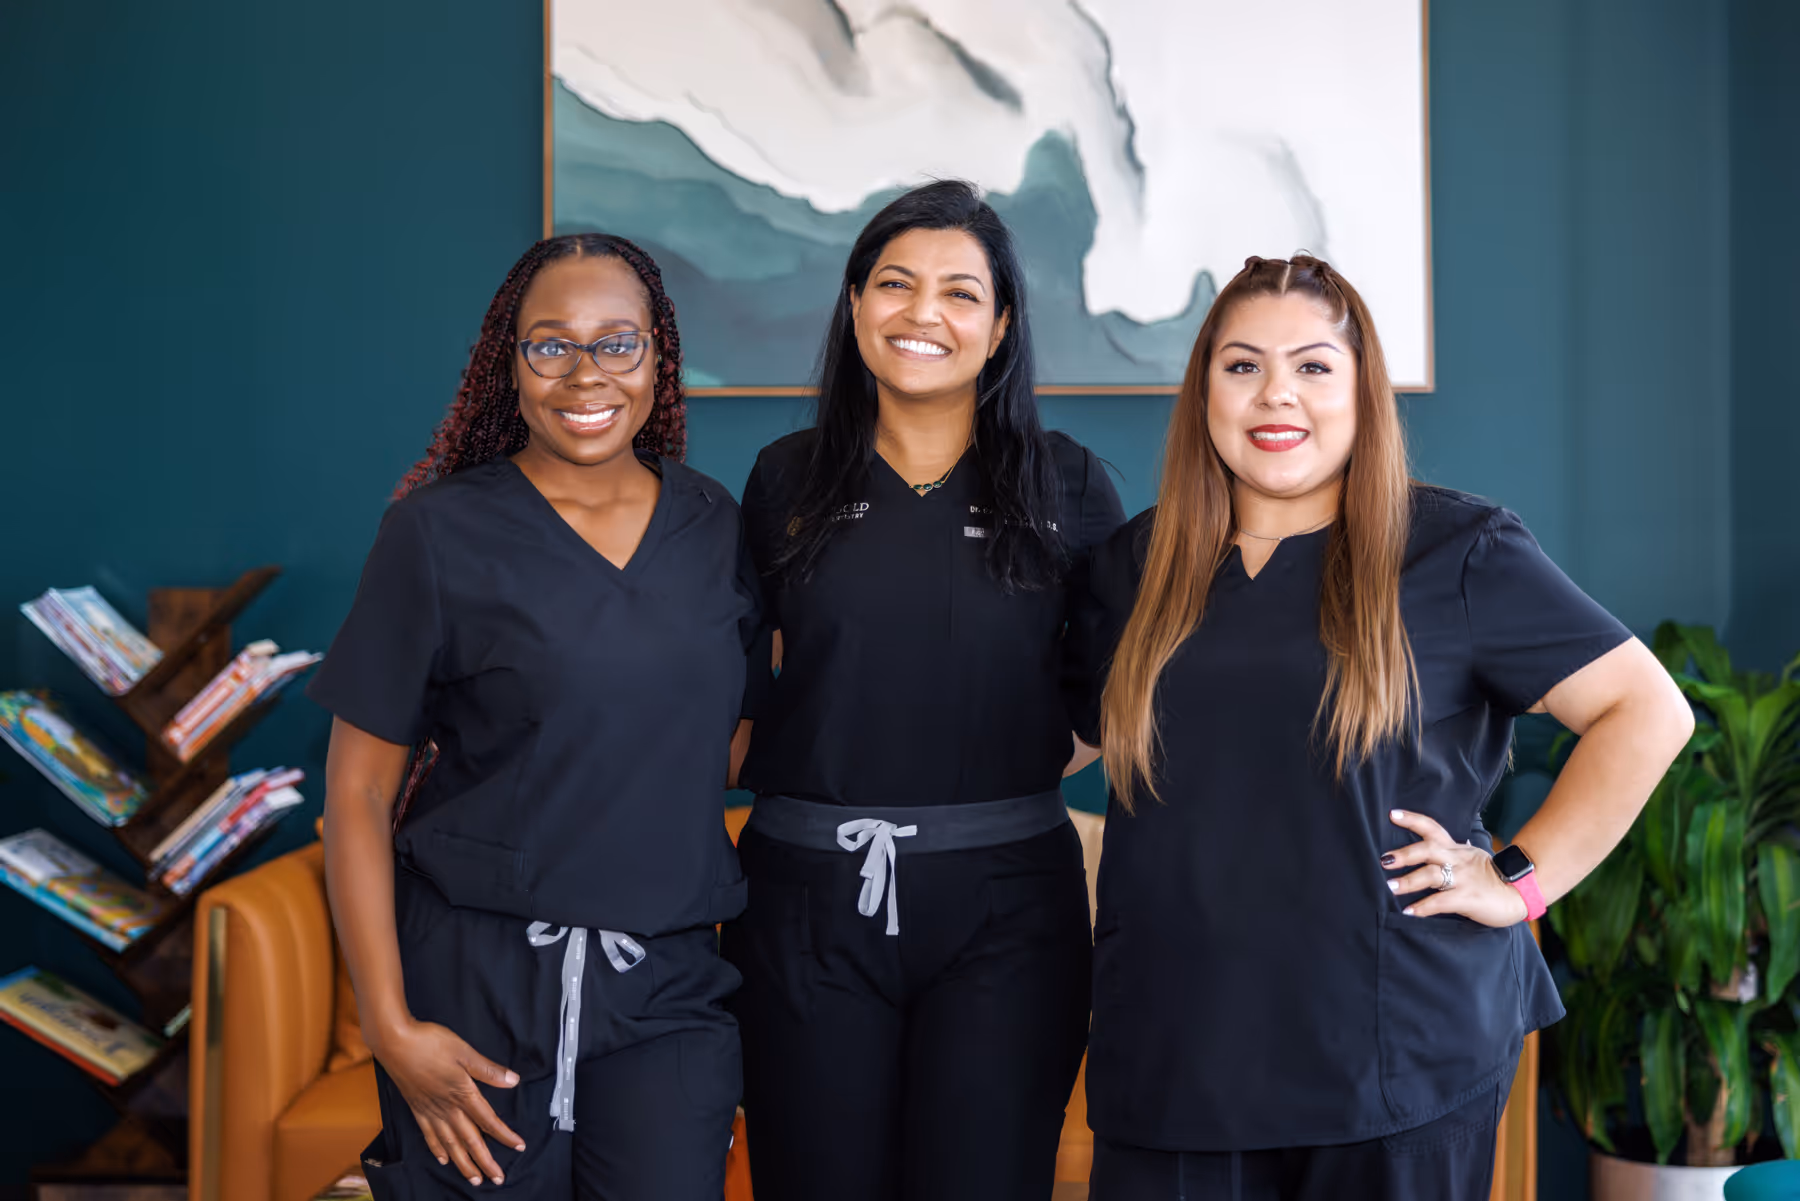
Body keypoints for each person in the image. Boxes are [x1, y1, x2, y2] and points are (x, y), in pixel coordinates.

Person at [1071, 255, 1695, 1200]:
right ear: (1204, 391)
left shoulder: (1457, 549)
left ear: (1364, 390)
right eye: (1242, 366)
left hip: (1396, 1054)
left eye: (1314, 366)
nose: (1276, 393)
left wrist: (1516, 882)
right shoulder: (1134, 565)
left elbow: (1647, 710)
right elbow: (1047, 737)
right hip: (1176, 1054)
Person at [308, 233, 759, 1199]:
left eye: (616, 344)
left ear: (657, 359)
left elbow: (720, 743)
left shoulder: (716, 524)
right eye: (550, 345)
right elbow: (354, 795)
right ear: (507, 365)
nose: (584, 373)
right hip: (477, 987)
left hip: (668, 991)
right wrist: (390, 1027)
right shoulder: (435, 533)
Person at [723, 180, 1126, 1201]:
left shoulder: (1068, 483)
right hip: (803, 902)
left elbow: (1107, 702)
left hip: (1008, 908)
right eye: (895, 284)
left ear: (998, 327)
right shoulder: (783, 479)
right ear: (855, 303)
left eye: (959, 292)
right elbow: (725, 684)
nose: (923, 314)